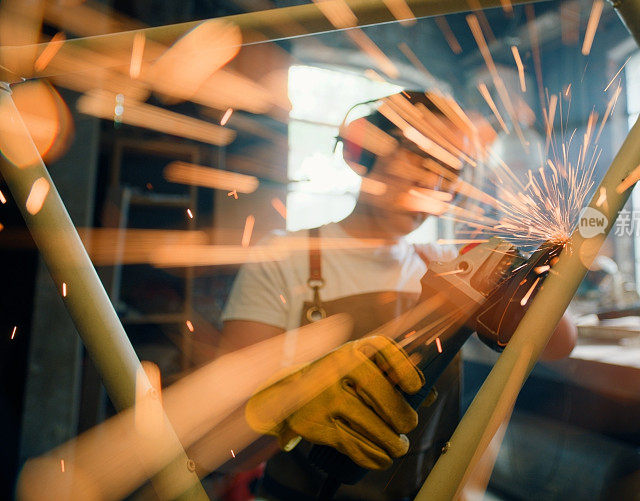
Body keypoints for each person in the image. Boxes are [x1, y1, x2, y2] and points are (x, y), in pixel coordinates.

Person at [219, 90, 576, 500]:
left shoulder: (452, 266)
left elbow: (560, 344)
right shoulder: (283, 258)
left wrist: (531, 285)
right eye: (422, 158)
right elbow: (229, 444)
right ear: (363, 153)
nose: (434, 182)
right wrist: (293, 404)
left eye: (450, 170)